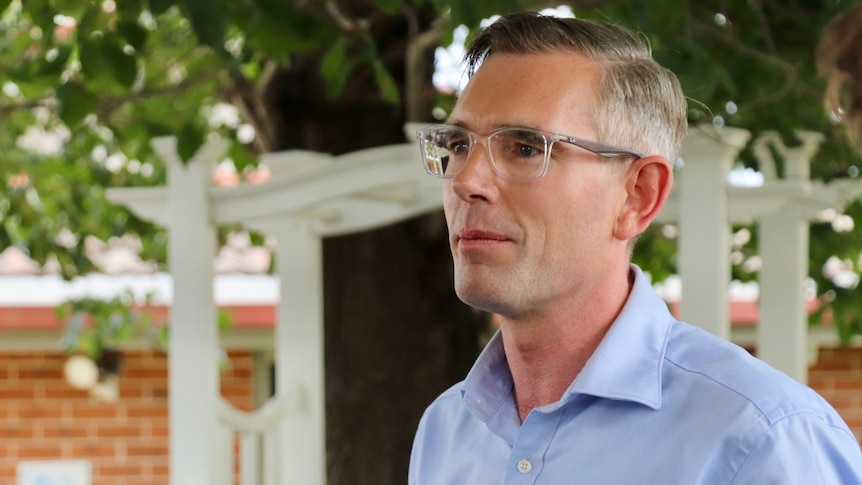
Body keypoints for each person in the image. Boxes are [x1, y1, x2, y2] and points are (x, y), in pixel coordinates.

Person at [409, 11, 862, 484]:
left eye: (525, 147)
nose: (466, 181)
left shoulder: (761, 441)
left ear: (637, 195)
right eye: (458, 144)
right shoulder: (446, 431)